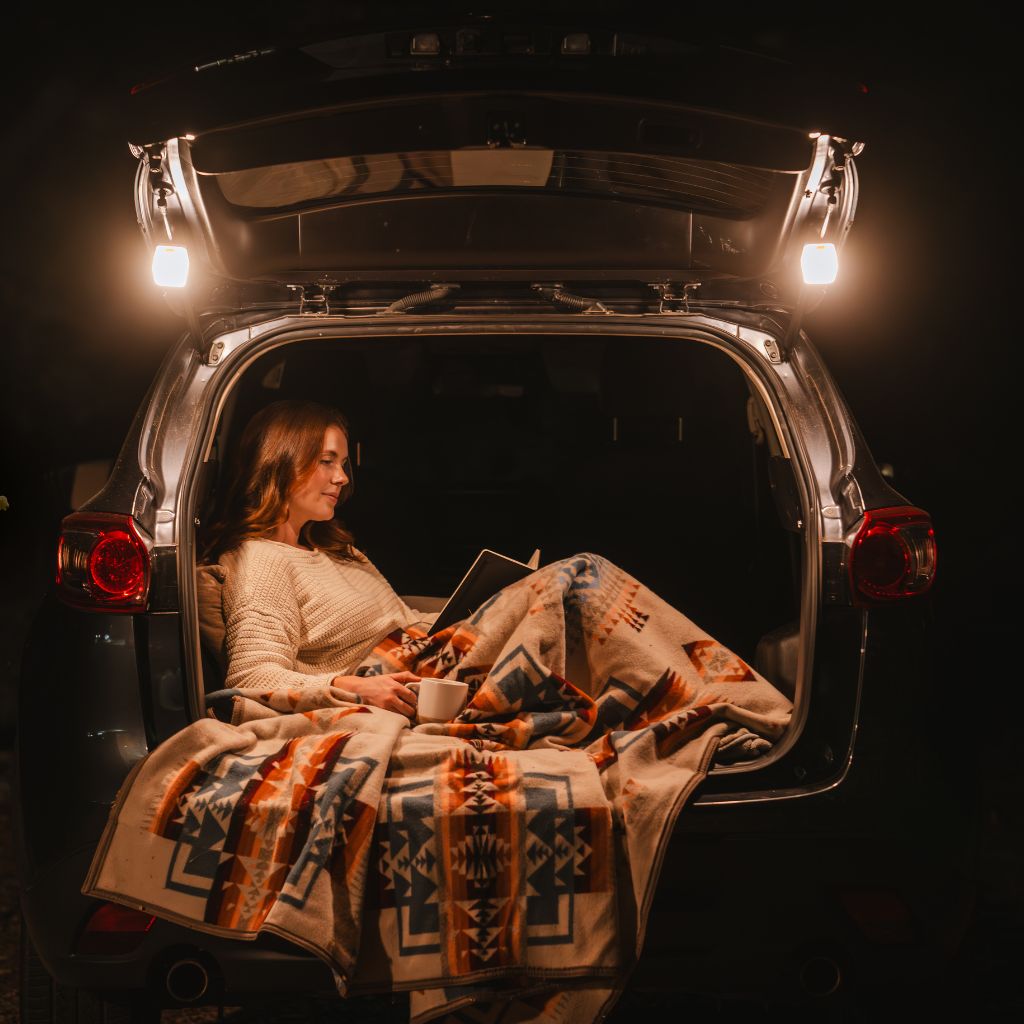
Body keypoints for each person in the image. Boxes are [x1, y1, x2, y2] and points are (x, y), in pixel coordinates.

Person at [201, 399, 425, 717]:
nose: (342, 477)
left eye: (343, 463)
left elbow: (404, 620)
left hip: (428, 665)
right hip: (395, 688)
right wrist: (352, 686)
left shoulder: (336, 549)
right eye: (326, 461)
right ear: (280, 462)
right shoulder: (263, 561)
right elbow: (253, 676)